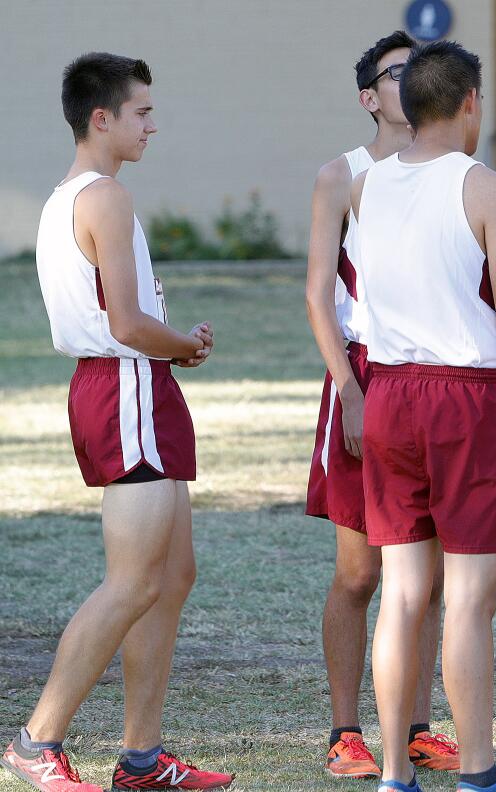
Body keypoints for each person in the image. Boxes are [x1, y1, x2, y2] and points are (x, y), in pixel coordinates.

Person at [2, 53, 232, 792]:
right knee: (134, 582)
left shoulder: (75, 194)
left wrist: (170, 351)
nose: (152, 125)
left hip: (137, 387)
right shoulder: (103, 196)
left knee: (172, 576)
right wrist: (187, 344)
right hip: (125, 385)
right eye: (141, 112)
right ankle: (37, 741)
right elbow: (130, 325)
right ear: (101, 118)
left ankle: (141, 759)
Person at [351, 40, 496, 792]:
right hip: (466, 398)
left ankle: (395, 774)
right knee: (468, 598)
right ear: (471, 101)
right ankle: (477, 771)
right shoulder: (488, 188)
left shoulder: (365, 187)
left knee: (402, 593)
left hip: (390, 394)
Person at [304, 29, 460, 779]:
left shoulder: (457, 171)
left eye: (419, 71)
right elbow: (315, 295)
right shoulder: (344, 173)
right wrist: (348, 389)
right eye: (397, 74)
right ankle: (345, 730)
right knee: (362, 571)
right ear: (370, 97)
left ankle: (422, 725)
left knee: (424, 572)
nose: (411, 82)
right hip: (365, 372)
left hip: (436, 377)